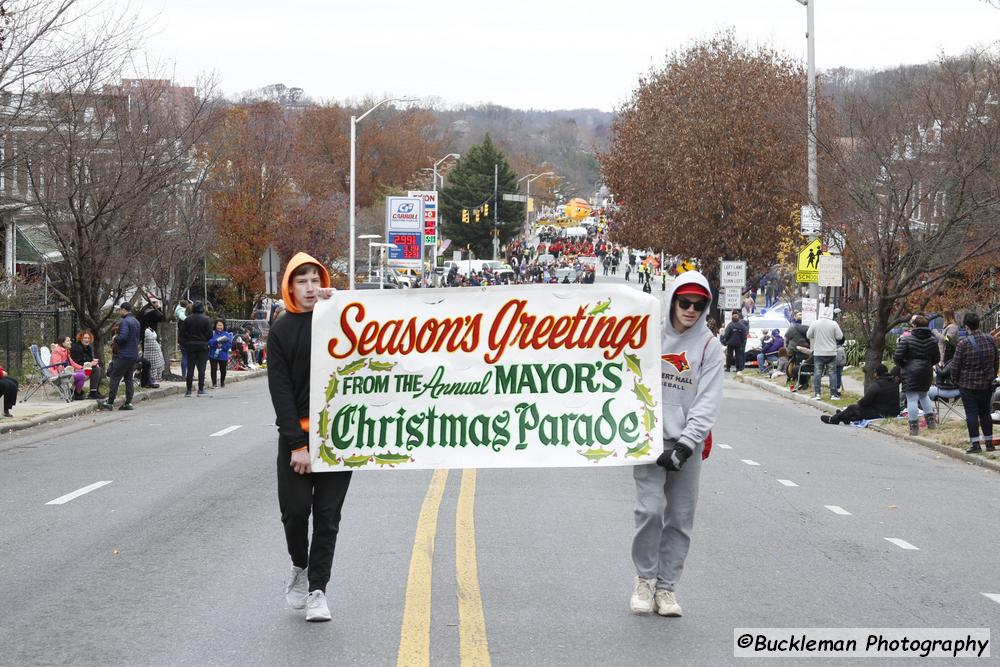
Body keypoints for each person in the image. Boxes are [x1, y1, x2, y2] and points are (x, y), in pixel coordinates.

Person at [631, 270, 723, 617]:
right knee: (650, 511)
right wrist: (644, 434)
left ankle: (666, 589)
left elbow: (707, 400)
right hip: (647, 440)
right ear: (672, 301)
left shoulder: (710, 347)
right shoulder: (647, 337)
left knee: (680, 519)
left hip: (687, 444)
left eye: (699, 305)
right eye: (684, 302)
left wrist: (685, 446)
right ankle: (644, 580)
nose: (691, 310)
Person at [268, 252, 350, 623]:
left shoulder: (338, 322)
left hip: (337, 438)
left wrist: (344, 306)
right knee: (296, 512)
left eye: (315, 279)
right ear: (289, 286)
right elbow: (280, 391)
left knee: (328, 518)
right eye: (301, 280)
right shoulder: (282, 330)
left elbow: (375, 345)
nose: (310, 287)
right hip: (297, 439)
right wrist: (297, 445)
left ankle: (318, 590)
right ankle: (299, 566)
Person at [944, 312, 999, 453]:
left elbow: (955, 366)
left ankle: (975, 444)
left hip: (968, 385)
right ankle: (989, 443)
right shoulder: (991, 340)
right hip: (986, 384)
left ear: (966, 326)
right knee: (985, 413)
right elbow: (995, 361)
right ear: (979, 324)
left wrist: (955, 381)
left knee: (972, 414)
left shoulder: (964, 344)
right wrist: (991, 376)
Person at [894, 314, 941, 436]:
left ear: (915, 326)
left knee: (912, 398)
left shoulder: (906, 339)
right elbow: (937, 358)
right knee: (924, 395)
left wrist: (904, 364)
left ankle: (914, 427)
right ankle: (931, 423)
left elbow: (897, 357)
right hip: (926, 371)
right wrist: (927, 363)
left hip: (910, 371)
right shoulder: (932, 341)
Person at [820, 364, 899, 425]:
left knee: (853, 408)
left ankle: (834, 419)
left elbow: (865, 402)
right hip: (892, 412)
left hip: (880, 413)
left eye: (875, 372)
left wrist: (859, 404)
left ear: (877, 374)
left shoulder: (877, 385)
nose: (874, 374)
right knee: (857, 414)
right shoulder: (894, 383)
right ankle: (844, 418)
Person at [98, 303, 141, 411]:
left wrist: (115, 338)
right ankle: (128, 402)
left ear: (123, 310)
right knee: (128, 378)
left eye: (120, 310)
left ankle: (110, 402)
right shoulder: (136, 321)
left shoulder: (125, 322)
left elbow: (123, 337)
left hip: (123, 354)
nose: (119, 312)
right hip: (133, 354)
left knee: (115, 376)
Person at [806, 309, 843, 400]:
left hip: (819, 353)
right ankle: (833, 394)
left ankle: (817, 394)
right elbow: (840, 336)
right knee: (832, 373)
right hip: (831, 352)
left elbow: (808, 335)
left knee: (817, 373)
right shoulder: (834, 324)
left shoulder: (815, 323)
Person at [180, 301, 212, 397]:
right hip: (202, 345)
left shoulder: (188, 320)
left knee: (190, 368)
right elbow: (210, 334)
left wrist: (187, 341)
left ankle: (188, 390)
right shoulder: (206, 319)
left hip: (191, 345)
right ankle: (200, 389)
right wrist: (204, 339)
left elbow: (182, 333)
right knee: (201, 368)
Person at [49, 335, 88, 400]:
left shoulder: (66, 350)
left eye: (70, 340)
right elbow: (57, 365)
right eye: (68, 341)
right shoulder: (57, 351)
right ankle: (77, 393)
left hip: (68, 371)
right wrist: (65, 371)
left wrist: (82, 367)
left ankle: (72, 391)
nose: (70, 342)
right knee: (81, 376)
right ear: (62, 343)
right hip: (60, 374)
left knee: (85, 371)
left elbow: (72, 362)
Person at [70, 330, 104, 399]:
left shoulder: (88, 348)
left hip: (85, 369)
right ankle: (93, 393)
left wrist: (94, 362)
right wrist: (90, 364)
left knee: (98, 368)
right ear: (81, 338)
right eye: (85, 338)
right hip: (77, 370)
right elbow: (77, 362)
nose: (87, 340)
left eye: (88, 338)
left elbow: (89, 359)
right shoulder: (76, 348)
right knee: (96, 369)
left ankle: (95, 391)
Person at [209, 319, 233, 389]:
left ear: (223, 326)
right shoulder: (212, 333)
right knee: (213, 369)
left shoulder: (226, 334)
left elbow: (229, 344)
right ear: (215, 326)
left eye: (221, 325)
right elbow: (209, 342)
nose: (219, 327)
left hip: (223, 354)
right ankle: (214, 383)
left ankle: (222, 382)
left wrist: (222, 347)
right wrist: (216, 341)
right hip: (213, 354)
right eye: (218, 325)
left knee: (223, 369)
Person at [175, 299, 191, 377]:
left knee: (184, 357)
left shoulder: (180, 317)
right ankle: (190, 373)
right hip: (190, 340)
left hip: (182, 339)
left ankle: (183, 374)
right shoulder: (190, 319)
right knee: (190, 357)